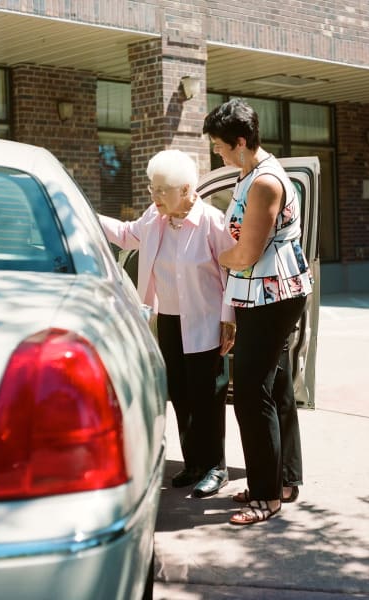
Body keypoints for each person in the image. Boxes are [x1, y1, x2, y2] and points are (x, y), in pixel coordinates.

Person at [98, 148, 237, 498]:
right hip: (171, 322)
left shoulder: (212, 222)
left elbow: (233, 272)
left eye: (162, 190)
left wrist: (229, 319)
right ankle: (192, 464)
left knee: (208, 399)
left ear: (188, 190)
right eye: (152, 188)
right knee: (180, 396)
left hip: (206, 324)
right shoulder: (154, 218)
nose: (155, 196)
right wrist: (84, 214)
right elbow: (126, 234)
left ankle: (215, 467)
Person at [202, 98, 312, 524]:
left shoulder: (266, 181)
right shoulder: (248, 172)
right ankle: (283, 479)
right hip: (260, 293)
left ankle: (266, 496)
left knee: (250, 391)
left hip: (274, 294)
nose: (218, 152)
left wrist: (214, 256)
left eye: (221, 145)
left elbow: (247, 253)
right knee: (276, 383)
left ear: (242, 142)